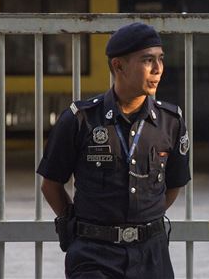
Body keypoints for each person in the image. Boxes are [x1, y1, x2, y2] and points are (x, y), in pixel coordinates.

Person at [37, 22, 191, 278]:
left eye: (160, 59)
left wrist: (143, 219)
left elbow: (174, 185)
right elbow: (51, 184)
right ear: (119, 65)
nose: (158, 69)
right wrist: (80, 225)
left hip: (151, 256)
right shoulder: (80, 120)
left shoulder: (170, 121)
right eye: (147, 60)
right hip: (93, 255)